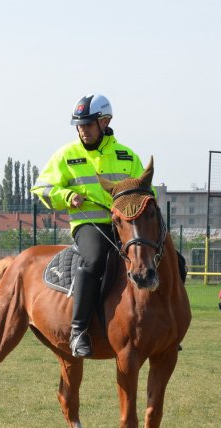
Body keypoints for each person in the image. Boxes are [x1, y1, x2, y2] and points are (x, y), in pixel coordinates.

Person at [30, 93, 144, 358]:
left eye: (88, 124)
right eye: (79, 125)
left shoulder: (128, 156)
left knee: (171, 258)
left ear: (105, 122)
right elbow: (41, 187)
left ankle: (165, 328)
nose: (82, 129)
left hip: (126, 226)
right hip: (89, 224)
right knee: (94, 260)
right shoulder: (66, 155)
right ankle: (79, 330)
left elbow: (145, 192)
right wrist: (66, 195)